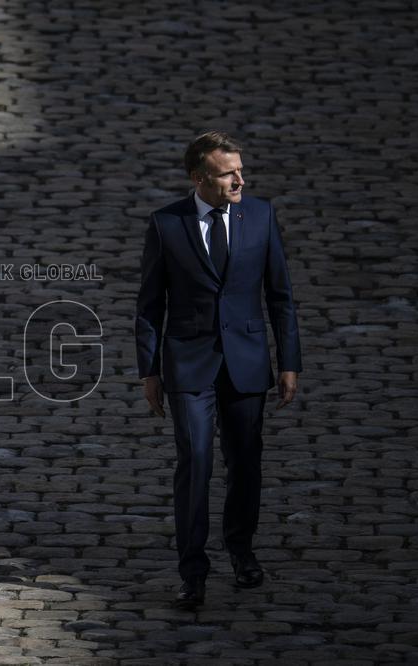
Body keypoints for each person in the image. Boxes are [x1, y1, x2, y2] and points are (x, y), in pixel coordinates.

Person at [134, 131, 302, 610]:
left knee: (246, 462)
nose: (239, 180)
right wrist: (149, 370)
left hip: (247, 362)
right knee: (197, 462)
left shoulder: (261, 215)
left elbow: (280, 295)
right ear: (199, 178)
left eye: (241, 170)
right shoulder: (167, 224)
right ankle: (192, 570)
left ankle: (241, 549)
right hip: (188, 364)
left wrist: (289, 361)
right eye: (229, 173)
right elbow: (150, 304)